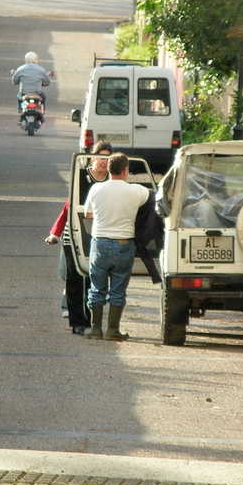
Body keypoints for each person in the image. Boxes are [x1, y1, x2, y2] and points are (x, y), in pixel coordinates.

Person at [45, 141, 112, 335]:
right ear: (92, 157)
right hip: (73, 233)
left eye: (107, 159)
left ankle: (91, 320)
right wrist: (54, 233)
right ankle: (77, 322)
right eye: (100, 157)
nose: (103, 162)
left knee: (94, 279)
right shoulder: (80, 177)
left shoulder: (112, 180)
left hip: (99, 235)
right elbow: (68, 206)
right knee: (74, 279)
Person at [84, 152, 150, 340]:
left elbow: (87, 214)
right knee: (118, 289)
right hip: (124, 244)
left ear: (110, 169)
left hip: (100, 243)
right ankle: (113, 330)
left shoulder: (96, 189)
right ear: (125, 170)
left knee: (97, 288)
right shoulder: (137, 191)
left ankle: (95, 329)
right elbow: (153, 200)